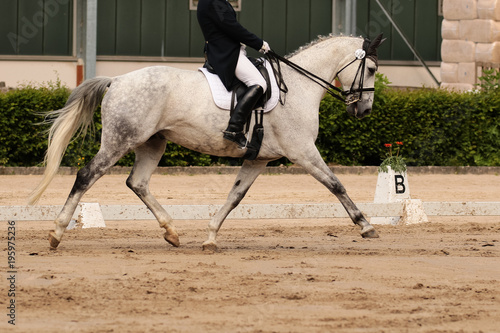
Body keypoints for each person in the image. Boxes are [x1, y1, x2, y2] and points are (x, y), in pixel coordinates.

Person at [197, 0, 271, 148]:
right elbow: (231, 27)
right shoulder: (213, 2)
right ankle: (234, 129)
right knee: (259, 83)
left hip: (227, 50)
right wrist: (259, 43)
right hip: (226, 53)